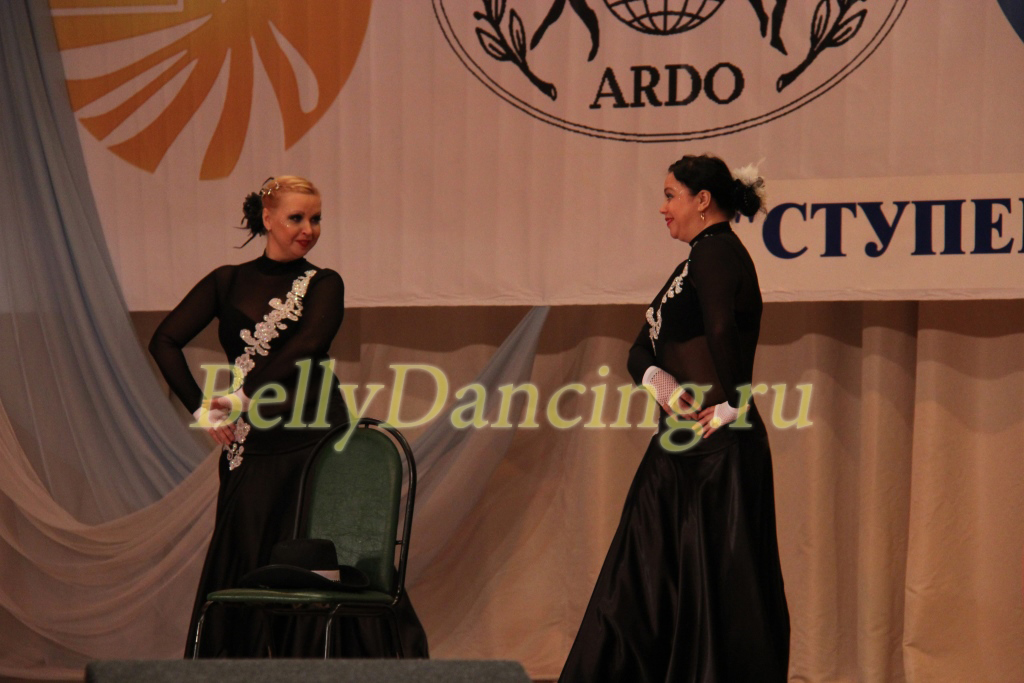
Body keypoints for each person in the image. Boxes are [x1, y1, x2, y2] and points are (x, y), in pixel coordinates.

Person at [149, 176, 427, 658]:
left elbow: (308, 346)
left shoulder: (324, 283)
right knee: (246, 556)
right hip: (254, 445)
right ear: (268, 219)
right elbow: (164, 341)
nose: (308, 229)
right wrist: (201, 408)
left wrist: (240, 398)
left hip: (316, 439)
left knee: (321, 555)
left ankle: (332, 669)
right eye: (297, 218)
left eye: (315, 219)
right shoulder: (226, 281)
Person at [559, 155, 790, 682]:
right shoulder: (692, 263)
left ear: (702, 200)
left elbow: (722, 329)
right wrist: (657, 381)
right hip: (679, 451)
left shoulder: (717, 253)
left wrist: (734, 403)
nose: (662, 208)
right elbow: (639, 348)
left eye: (670, 195)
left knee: (713, 589)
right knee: (642, 580)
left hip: (717, 454)